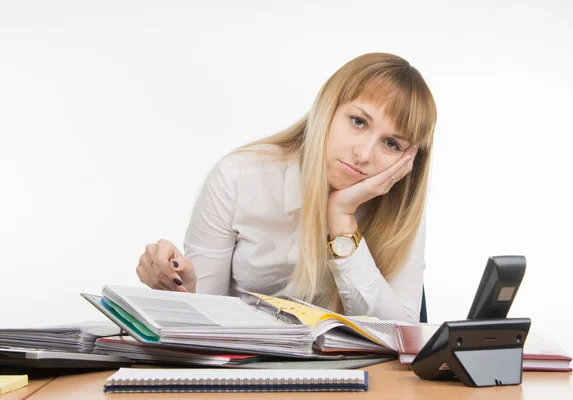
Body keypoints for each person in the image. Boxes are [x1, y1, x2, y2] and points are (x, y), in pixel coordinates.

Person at [136, 52, 437, 323]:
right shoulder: (238, 178)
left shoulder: (400, 206)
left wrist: (342, 218)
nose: (364, 154)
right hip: (247, 373)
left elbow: (403, 334)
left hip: (359, 380)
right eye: (358, 121)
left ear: (409, 159)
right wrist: (183, 291)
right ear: (328, 108)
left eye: (391, 144)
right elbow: (205, 321)